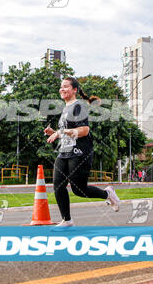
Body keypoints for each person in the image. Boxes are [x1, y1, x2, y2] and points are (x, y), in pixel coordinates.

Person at [44, 77, 120, 228]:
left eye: (65, 86)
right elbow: (68, 132)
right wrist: (54, 132)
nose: (62, 89)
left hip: (80, 152)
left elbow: (84, 130)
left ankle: (108, 194)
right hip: (64, 151)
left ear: (74, 90)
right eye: (61, 87)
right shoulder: (65, 109)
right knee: (58, 186)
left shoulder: (78, 106)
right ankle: (67, 220)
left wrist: (59, 133)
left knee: (79, 190)